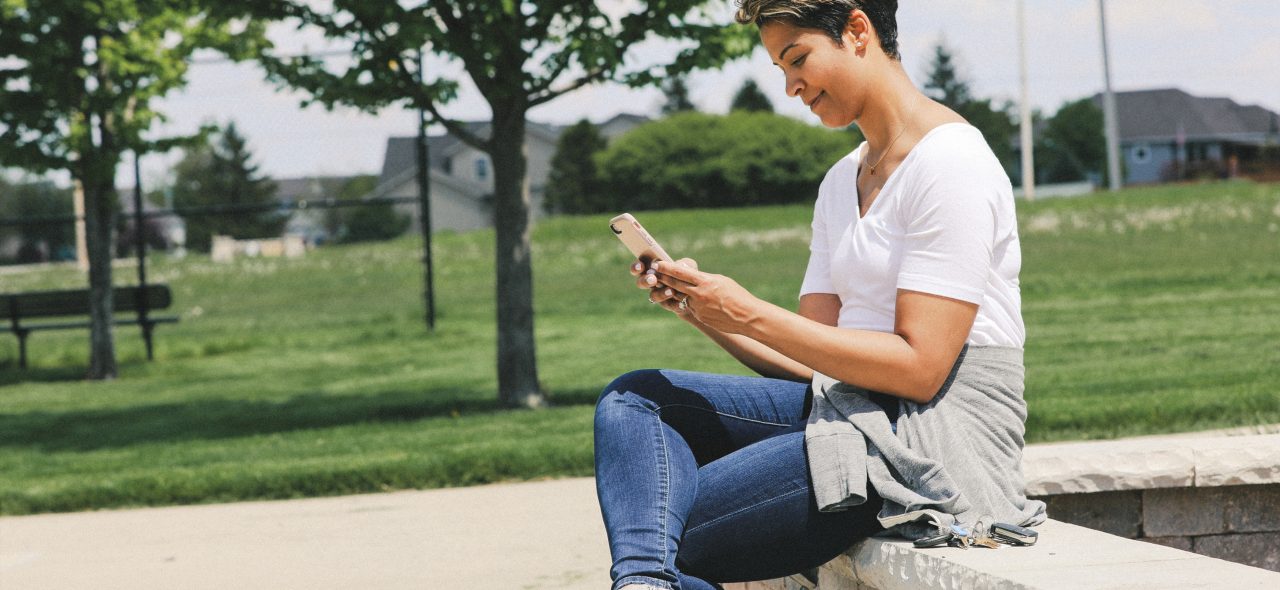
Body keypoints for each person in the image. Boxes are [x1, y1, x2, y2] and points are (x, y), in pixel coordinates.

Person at [593, 1, 1047, 589]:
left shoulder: (951, 162)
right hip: (844, 410)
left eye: (797, 59)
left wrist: (749, 311)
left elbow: (921, 369)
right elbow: (810, 365)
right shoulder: (842, 181)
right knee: (635, 399)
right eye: (781, 69)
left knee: (671, 532)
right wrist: (701, 309)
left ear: (858, 31)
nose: (790, 87)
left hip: (929, 432)